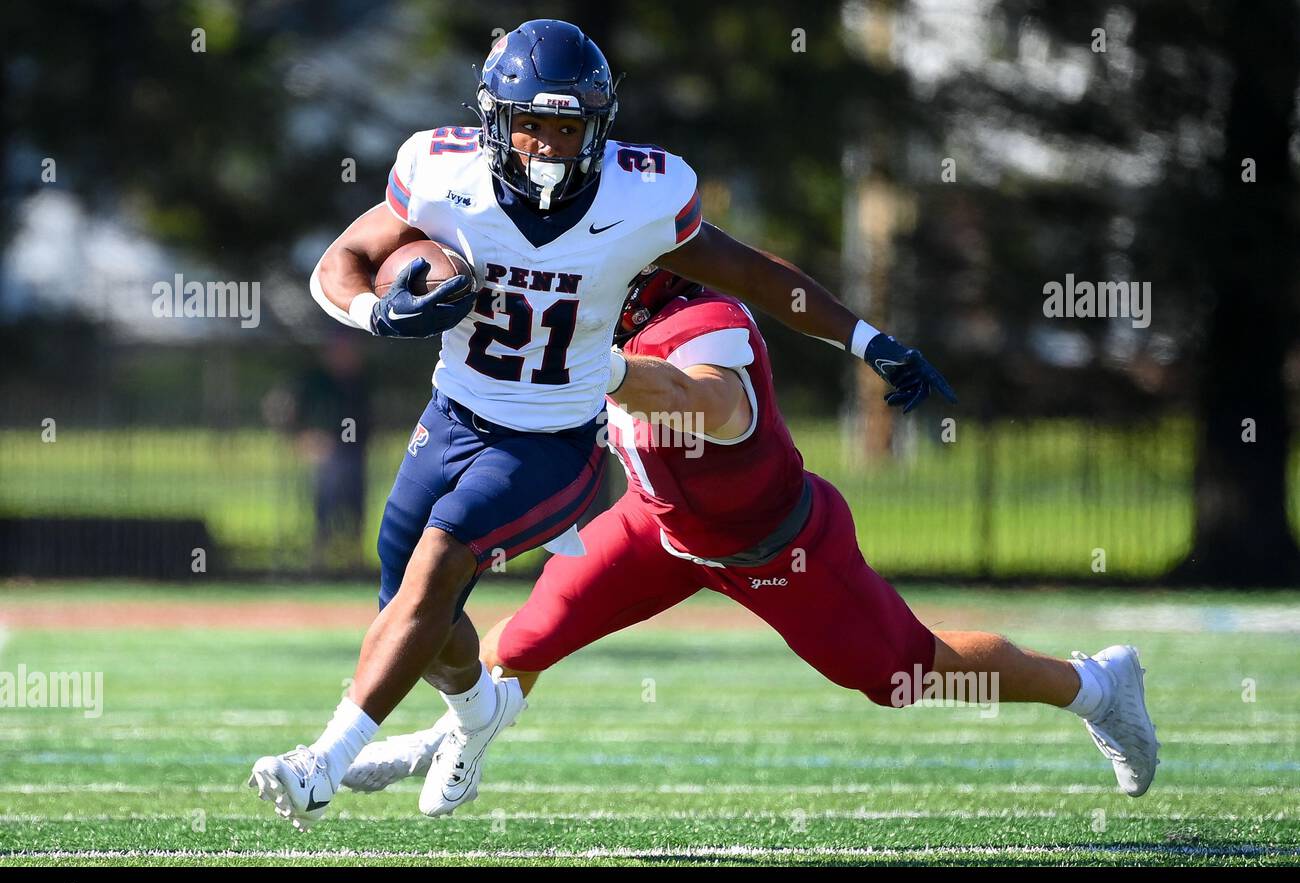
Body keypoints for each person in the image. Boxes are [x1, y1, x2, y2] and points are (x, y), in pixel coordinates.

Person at [248, 19, 955, 831]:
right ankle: (480, 714)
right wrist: (376, 313)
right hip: (450, 416)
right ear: (494, 121)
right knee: (411, 604)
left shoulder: (642, 196)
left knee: (441, 563)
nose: (547, 147)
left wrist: (867, 338)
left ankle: (321, 762)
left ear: (598, 128)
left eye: (566, 127)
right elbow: (338, 261)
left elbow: (756, 275)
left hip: (552, 441)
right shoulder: (443, 174)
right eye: (531, 126)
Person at [342, 269, 1160, 804]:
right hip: (657, 530)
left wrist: (609, 375)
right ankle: (448, 738)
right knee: (524, 639)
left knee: (904, 676)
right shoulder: (595, 331)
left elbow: (711, 402)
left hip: (779, 546)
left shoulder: (706, 321)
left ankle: (1093, 686)